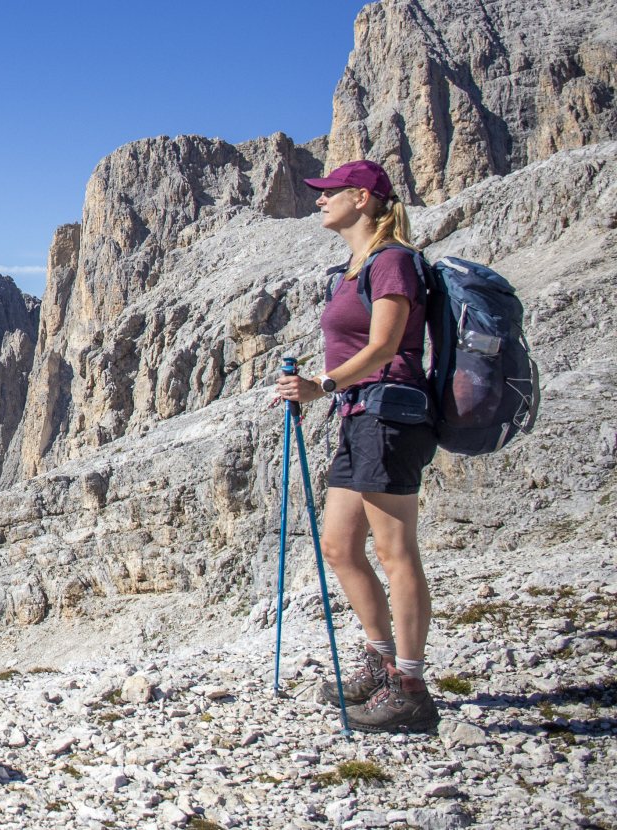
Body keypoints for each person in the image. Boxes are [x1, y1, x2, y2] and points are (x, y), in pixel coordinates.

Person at [274, 160, 440, 734]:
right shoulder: (356, 267)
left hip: (390, 415)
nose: (320, 200)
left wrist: (322, 385)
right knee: (340, 545)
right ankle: (380, 662)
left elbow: (386, 345)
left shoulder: (392, 261)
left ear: (363, 198)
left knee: (395, 552)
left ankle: (411, 689)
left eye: (331, 193)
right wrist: (324, 388)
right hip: (360, 414)